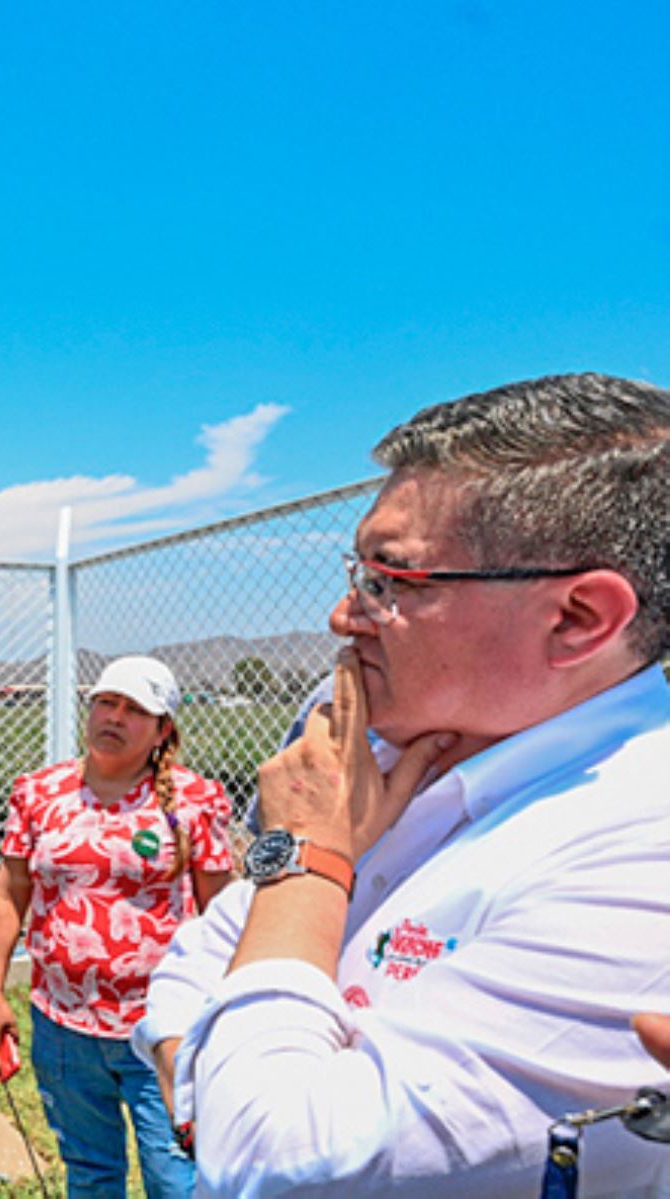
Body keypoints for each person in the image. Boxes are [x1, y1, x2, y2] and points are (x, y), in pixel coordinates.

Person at [137, 372, 670, 1196]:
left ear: (577, 618)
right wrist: (223, 1093)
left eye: (389, 580)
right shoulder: (394, 754)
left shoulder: (643, 858)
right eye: (357, 571)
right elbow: (190, 967)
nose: (343, 615)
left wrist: (309, 859)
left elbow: (279, 1164)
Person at [0, 655, 234, 1198]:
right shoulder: (39, 794)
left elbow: (223, 914)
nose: (114, 717)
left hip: (162, 1031)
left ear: (163, 729)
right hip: (63, 1027)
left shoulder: (194, 802)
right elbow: (10, 892)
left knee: (177, 1178)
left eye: (134, 710)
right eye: (106, 703)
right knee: (91, 1175)